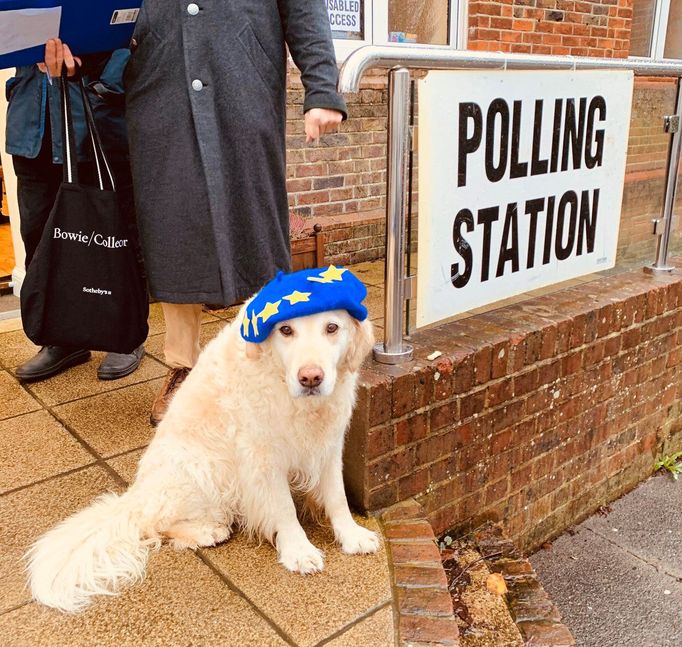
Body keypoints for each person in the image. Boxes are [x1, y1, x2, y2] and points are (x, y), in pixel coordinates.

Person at [124, 1, 347, 424]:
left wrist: (321, 85)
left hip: (243, 84)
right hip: (160, 87)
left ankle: (269, 353)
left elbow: (303, 8)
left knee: (256, 226)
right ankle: (183, 368)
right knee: (174, 227)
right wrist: (87, 59)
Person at [5, 40, 145, 382]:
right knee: (39, 237)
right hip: (33, 125)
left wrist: (104, 86)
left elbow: (133, 32)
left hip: (94, 117)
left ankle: (123, 334)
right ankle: (61, 338)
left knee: (116, 235)